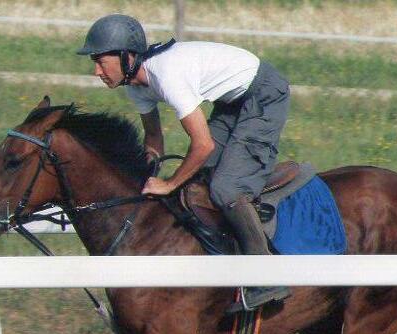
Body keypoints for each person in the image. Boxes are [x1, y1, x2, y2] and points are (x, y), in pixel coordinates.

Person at [77, 13, 291, 312]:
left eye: (101, 61)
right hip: (231, 104)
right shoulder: (134, 84)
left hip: (264, 94)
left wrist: (169, 183)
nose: (96, 71)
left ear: (126, 57)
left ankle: (267, 276)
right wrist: (145, 178)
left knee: (226, 189)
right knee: (198, 186)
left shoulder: (166, 74)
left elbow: (203, 145)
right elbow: (153, 138)